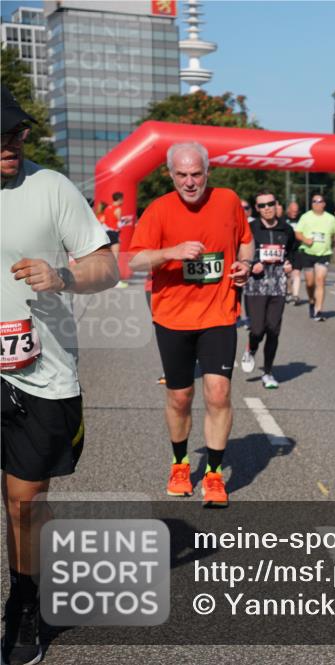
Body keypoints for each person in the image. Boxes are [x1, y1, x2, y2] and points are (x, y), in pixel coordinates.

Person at [1, 84, 119, 665]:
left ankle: (24, 601)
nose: (11, 142)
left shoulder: (49, 187)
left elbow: (106, 264)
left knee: (24, 499)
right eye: (0, 134)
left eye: (17, 132)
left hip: (35, 366)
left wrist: (63, 277)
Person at [128, 141, 253, 509]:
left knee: (218, 393)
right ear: (170, 175)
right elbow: (134, 260)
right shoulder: (159, 209)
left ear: (207, 172)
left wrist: (245, 266)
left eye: (196, 174)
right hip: (172, 317)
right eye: (181, 175)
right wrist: (171, 252)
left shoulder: (228, 200)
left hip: (218, 315)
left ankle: (213, 474)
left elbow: (246, 241)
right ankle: (180, 463)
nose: (190, 182)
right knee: (180, 397)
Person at [240, 190, 295, 389]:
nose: (267, 208)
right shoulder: (250, 228)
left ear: (276, 204)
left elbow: (292, 252)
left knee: (273, 329)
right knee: (257, 329)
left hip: (278, 285)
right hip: (256, 285)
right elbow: (239, 251)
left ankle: (268, 372)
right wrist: (252, 263)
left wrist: (290, 264)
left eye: (270, 204)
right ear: (257, 208)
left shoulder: (286, 229)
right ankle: (251, 347)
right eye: (262, 205)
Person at [294, 194, 335, 321]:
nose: (317, 203)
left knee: (320, 280)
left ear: (324, 203)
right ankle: (311, 300)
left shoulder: (331, 219)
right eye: (314, 201)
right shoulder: (305, 217)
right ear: (311, 204)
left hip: (324, 254)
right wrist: (305, 239)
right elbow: (297, 233)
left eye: (320, 201)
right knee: (310, 283)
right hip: (307, 252)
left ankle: (318, 310)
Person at [101, 191, 128, 288]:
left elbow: (104, 221)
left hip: (107, 232)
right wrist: (126, 221)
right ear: (120, 199)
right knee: (115, 258)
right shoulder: (118, 209)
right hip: (114, 233)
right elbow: (119, 224)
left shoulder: (108, 208)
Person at [284, 200, 303, 305]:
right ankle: (288, 292)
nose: (294, 213)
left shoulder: (301, 220)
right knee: (287, 274)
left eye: (296, 211)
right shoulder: (284, 220)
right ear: (288, 210)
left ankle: (295, 295)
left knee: (297, 272)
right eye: (292, 210)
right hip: (286, 250)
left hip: (297, 250)